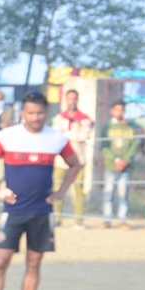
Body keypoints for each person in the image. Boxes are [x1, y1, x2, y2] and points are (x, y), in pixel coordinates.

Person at [0, 92, 81, 290]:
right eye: (31, 113)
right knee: (1, 261)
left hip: (42, 212)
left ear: (47, 113)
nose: (35, 117)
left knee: (34, 263)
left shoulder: (56, 138)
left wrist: (61, 191)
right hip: (13, 210)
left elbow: (75, 164)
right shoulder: (6, 136)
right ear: (23, 113)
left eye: (40, 113)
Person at [52, 88, 93, 227]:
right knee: (57, 188)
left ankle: (79, 220)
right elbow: (56, 135)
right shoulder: (59, 118)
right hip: (60, 160)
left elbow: (85, 135)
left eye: (74, 98)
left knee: (79, 190)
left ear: (77, 100)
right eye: (70, 98)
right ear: (66, 100)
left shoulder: (84, 118)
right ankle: (57, 218)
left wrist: (66, 133)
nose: (72, 101)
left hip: (79, 159)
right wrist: (74, 135)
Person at [101, 100, 138, 228]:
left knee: (124, 194)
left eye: (122, 110)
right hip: (111, 166)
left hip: (126, 167)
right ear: (112, 111)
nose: (119, 112)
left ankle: (122, 220)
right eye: (117, 110)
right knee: (108, 193)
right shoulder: (107, 127)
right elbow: (104, 147)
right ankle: (107, 219)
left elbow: (134, 145)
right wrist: (117, 160)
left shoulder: (130, 127)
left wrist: (125, 160)